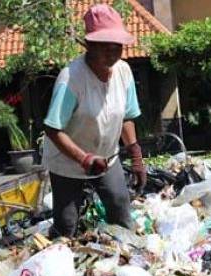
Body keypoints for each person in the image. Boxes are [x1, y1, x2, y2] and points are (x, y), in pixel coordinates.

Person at [42, 4, 146, 238]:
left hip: (107, 158)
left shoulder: (124, 72)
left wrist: (135, 152)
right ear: (89, 45)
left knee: (121, 211)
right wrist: (84, 158)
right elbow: (52, 128)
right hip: (68, 162)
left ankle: (122, 262)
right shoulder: (71, 79)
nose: (112, 51)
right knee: (67, 225)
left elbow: (127, 116)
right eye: (105, 46)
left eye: (116, 45)